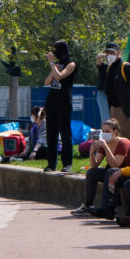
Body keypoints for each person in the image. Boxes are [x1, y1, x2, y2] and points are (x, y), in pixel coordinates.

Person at [74, 118, 130, 216]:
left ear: (115, 132)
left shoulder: (123, 143)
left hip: (127, 173)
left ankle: (107, 207)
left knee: (110, 171)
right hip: (113, 173)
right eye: (103, 131)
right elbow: (95, 164)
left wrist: (106, 147)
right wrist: (91, 151)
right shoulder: (105, 143)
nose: (104, 133)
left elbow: (115, 165)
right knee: (92, 172)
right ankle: (88, 204)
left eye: (107, 131)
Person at [42, 42, 77, 173]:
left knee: (65, 133)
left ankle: (67, 163)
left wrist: (52, 64)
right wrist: (53, 67)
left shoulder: (71, 64)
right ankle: (51, 164)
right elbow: (47, 81)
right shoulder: (56, 65)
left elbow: (59, 76)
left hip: (63, 102)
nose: (54, 53)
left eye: (57, 50)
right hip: (51, 101)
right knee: (51, 134)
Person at [98, 42, 130, 140]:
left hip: (125, 110)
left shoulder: (126, 67)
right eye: (108, 53)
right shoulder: (109, 68)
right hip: (113, 109)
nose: (110, 55)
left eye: (112, 53)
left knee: (129, 139)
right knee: (116, 139)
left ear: (119, 53)